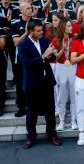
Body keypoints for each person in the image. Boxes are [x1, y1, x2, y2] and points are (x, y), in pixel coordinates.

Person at [17, 19, 61, 149]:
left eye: (42, 30)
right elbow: (27, 64)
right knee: (32, 111)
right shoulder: (23, 45)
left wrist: (52, 54)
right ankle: (31, 137)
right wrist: (43, 56)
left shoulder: (45, 41)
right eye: (38, 31)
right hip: (32, 83)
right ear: (30, 31)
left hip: (47, 81)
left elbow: (51, 59)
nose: (42, 32)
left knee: (50, 110)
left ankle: (52, 135)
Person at [51, 19, 78, 131]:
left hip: (73, 67)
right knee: (61, 95)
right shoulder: (56, 40)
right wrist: (63, 49)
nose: (71, 27)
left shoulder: (76, 39)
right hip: (61, 67)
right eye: (68, 26)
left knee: (74, 95)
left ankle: (73, 121)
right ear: (63, 27)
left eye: (71, 25)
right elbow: (55, 57)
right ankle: (62, 121)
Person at [11, 2, 34, 117]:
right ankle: (21, 107)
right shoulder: (15, 24)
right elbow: (16, 43)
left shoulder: (36, 22)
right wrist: (26, 32)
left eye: (31, 8)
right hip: (20, 58)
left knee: (35, 82)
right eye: (28, 8)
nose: (30, 10)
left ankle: (35, 106)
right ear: (21, 10)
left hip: (35, 56)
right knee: (20, 84)